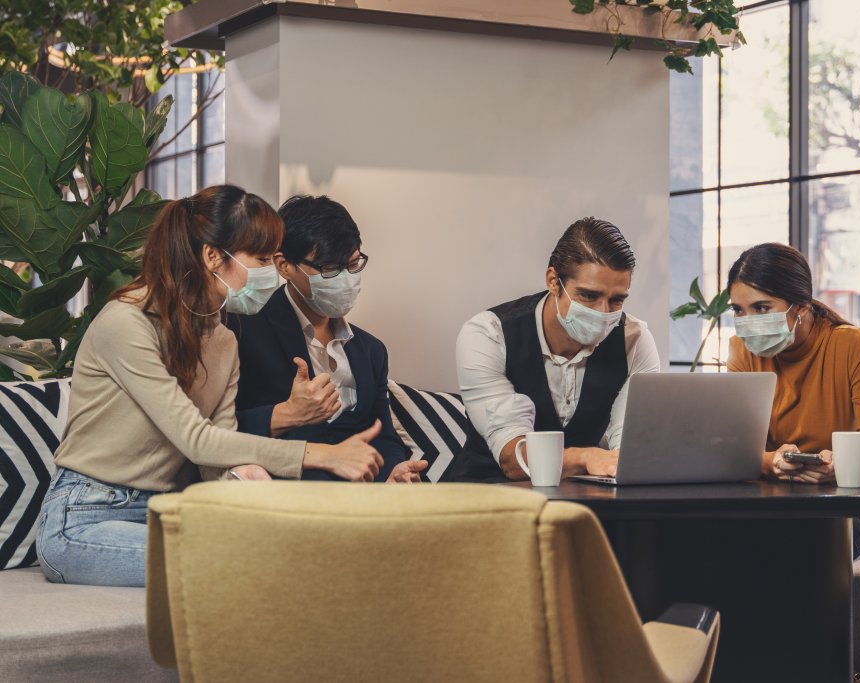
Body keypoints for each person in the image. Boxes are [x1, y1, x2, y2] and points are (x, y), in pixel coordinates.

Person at [35, 185, 410, 588]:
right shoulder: (125, 323)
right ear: (214, 256)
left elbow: (217, 453)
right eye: (263, 259)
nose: (271, 273)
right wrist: (321, 455)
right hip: (85, 516)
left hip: (168, 510)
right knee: (240, 565)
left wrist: (247, 483)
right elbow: (197, 439)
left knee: (296, 549)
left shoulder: (223, 340)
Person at [225, 195, 424, 483]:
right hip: (287, 495)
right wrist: (285, 414)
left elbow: (383, 435)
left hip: (361, 501)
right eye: (330, 269)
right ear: (284, 266)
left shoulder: (371, 351)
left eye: (354, 264)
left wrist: (393, 471)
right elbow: (214, 430)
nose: (345, 278)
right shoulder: (242, 329)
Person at [448, 217, 660, 482]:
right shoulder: (488, 334)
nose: (603, 313)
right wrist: (587, 457)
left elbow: (632, 449)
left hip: (585, 501)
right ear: (553, 281)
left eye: (616, 300)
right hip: (484, 497)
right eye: (588, 296)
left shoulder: (634, 340)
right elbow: (513, 460)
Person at [725, 242, 860, 556]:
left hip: (840, 505)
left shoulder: (854, 346)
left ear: (801, 305)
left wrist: (842, 466)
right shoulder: (741, 351)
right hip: (771, 496)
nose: (747, 321)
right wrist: (770, 461)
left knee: (797, 544)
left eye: (761, 308)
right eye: (738, 310)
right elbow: (735, 449)